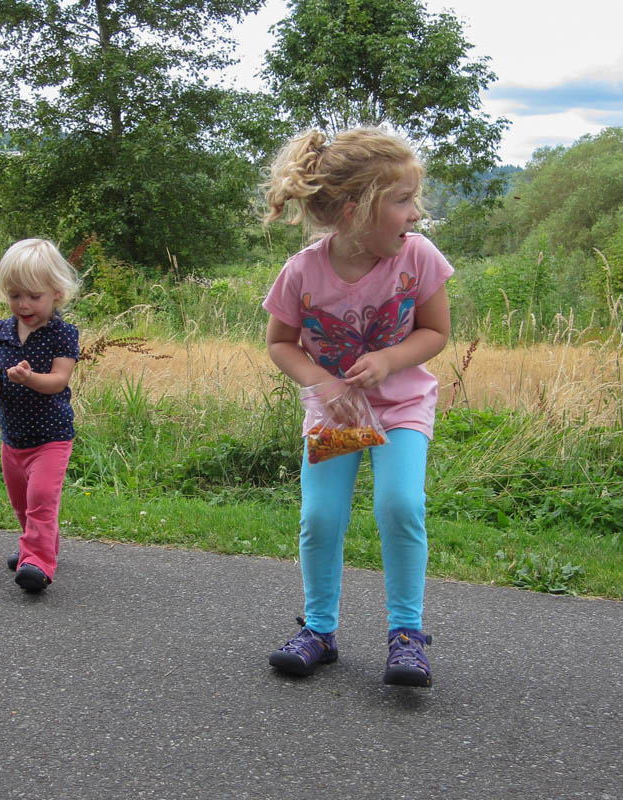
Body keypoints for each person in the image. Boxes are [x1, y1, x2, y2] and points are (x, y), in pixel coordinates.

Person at [262, 128, 453, 687]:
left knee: (400, 506)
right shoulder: (303, 271)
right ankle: (318, 631)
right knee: (320, 517)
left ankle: (406, 635)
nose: (415, 213)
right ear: (355, 210)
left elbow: (436, 332)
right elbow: (280, 343)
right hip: (336, 414)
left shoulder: (418, 259)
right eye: (402, 200)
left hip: (401, 407)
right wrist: (323, 384)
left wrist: (391, 360)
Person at [0, 238, 80, 593]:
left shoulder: (62, 334)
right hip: (13, 439)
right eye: (15, 295)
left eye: (34, 296)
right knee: (22, 504)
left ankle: (38, 562)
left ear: (56, 294)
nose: (24, 304)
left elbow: (58, 381)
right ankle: (34, 544)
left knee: (40, 501)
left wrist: (29, 377)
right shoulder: (1, 331)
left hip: (51, 439)